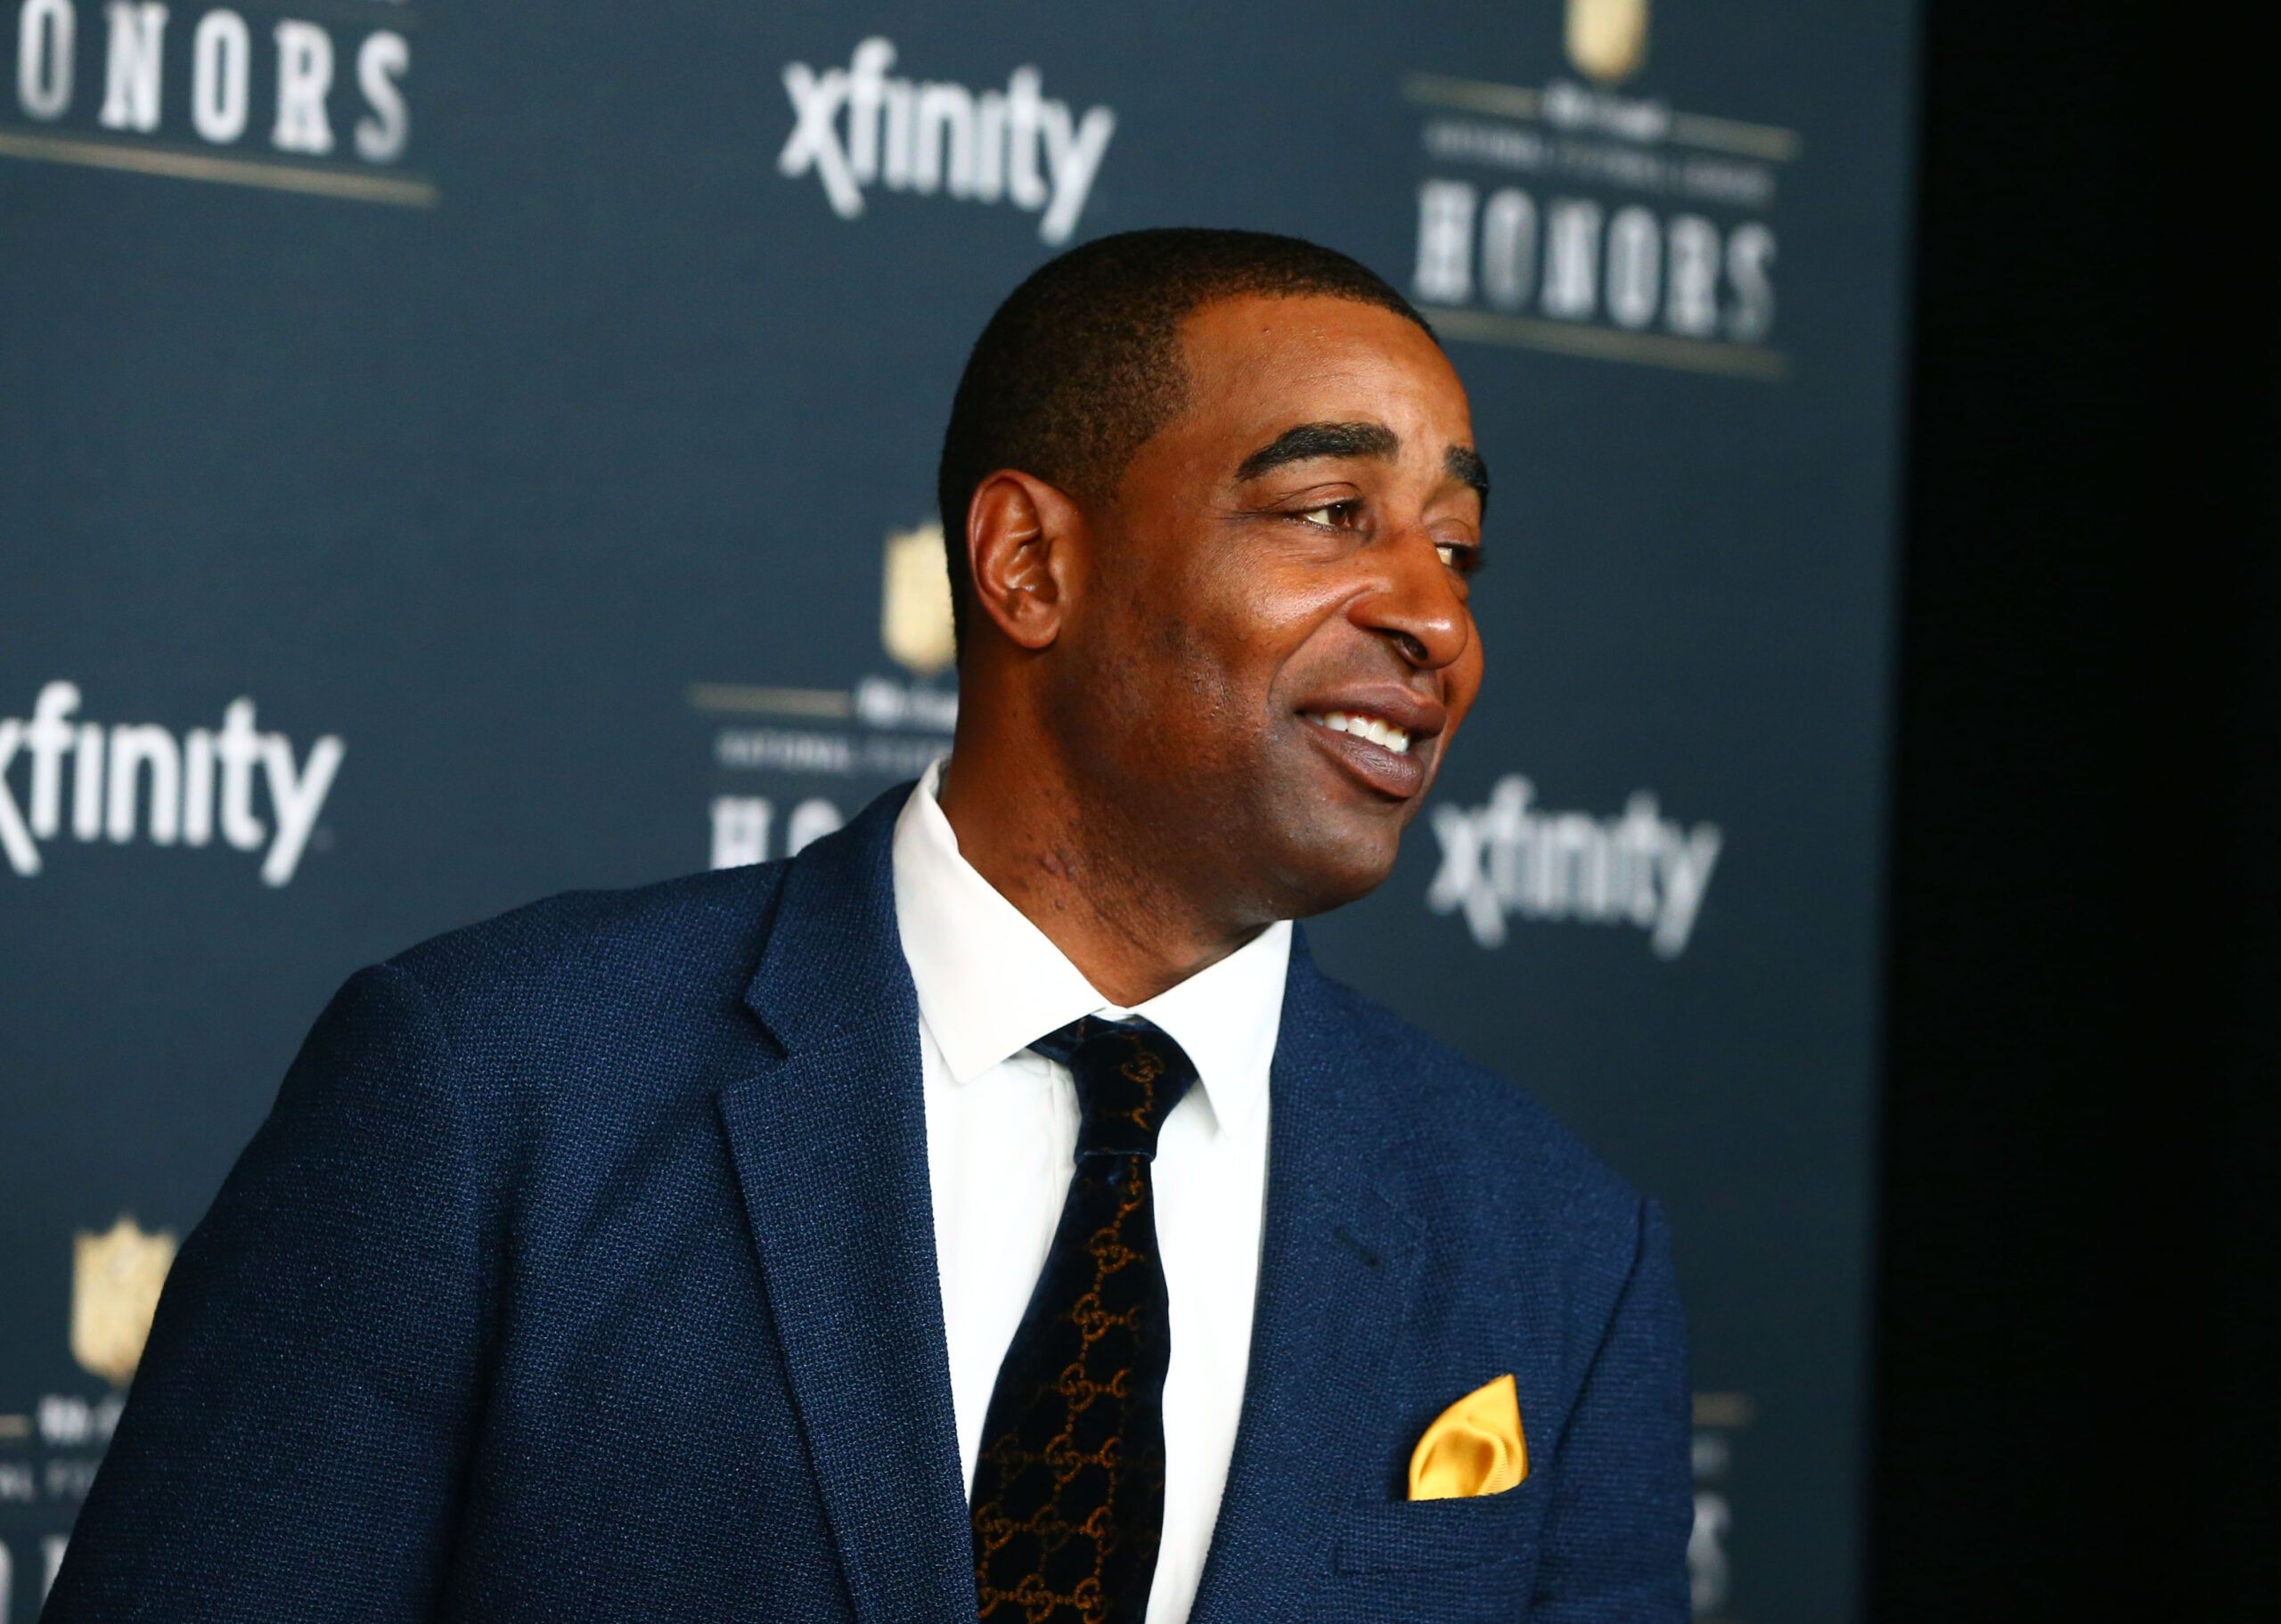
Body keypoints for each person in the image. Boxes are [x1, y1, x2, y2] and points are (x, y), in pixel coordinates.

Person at [45, 229, 1689, 1622]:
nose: (1433, 614)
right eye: (1331, 512)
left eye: (1459, 547)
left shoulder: (1553, 1249)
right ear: (1029, 564)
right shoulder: (490, 1094)